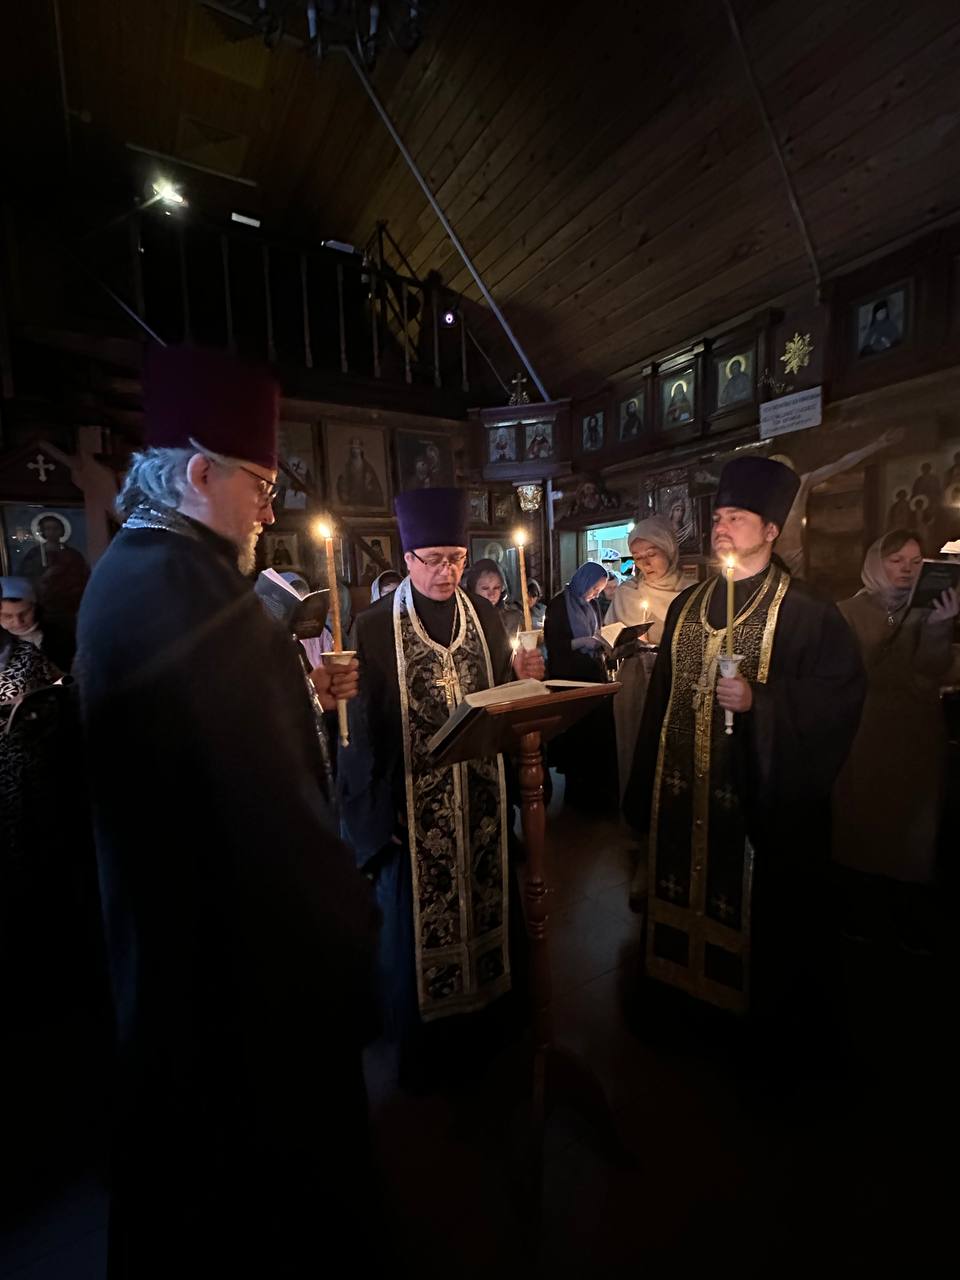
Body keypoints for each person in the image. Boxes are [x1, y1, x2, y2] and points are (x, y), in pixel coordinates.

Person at [74, 344, 377, 1277]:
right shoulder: (182, 586)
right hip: (233, 957)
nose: (267, 510)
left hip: (176, 935)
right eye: (261, 485)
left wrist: (302, 695)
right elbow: (267, 807)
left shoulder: (138, 567)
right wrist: (348, 918)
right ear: (200, 473)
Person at [624, 457, 866, 1018]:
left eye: (737, 518)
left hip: (758, 801)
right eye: (719, 517)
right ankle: (677, 991)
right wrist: (642, 788)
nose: (722, 527)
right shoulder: (686, 606)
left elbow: (839, 698)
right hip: (684, 789)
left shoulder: (807, 612)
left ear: (772, 530)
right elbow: (660, 702)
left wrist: (762, 701)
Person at [338, 487, 544, 1090]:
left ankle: (492, 1030)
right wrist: (375, 816)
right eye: (432, 560)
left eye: (456, 558)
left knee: (489, 907)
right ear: (407, 559)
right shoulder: (373, 626)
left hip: (480, 802)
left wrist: (525, 680)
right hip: (412, 816)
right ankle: (428, 1057)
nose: (446, 571)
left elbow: (502, 696)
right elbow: (358, 732)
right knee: (413, 938)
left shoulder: (484, 617)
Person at [832, 531, 959, 952]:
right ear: (876, 562)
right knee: (865, 821)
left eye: (916, 561)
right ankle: (860, 914)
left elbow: (930, 673)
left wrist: (939, 627)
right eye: (896, 560)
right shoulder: (848, 611)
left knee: (913, 826)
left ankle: (908, 917)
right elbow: (849, 672)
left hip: (916, 732)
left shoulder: (930, 610)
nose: (907, 569)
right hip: (866, 731)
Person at [608, 518, 684, 816]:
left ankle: (669, 817)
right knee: (634, 745)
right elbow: (610, 639)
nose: (644, 564)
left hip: (673, 681)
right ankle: (635, 816)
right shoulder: (627, 592)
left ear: (669, 549)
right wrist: (624, 640)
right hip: (634, 679)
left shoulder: (691, 592)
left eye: (651, 554)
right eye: (638, 557)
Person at [772, 428, 903, 576]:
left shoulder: (800, 485)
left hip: (795, 555)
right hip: (769, 558)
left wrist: (879, 443)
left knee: (795, 588)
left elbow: (840, 465)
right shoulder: (761, 498)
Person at [544, 562, 617, 809]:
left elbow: (598, 631)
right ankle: (575, 794)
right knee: (576, 736)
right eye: (594, 588)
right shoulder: (558, 605)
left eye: (600, 590)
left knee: (596, 735)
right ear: (584, 581)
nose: (595, 594)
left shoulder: (593, 604)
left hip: (593, 675)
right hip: (569, 678)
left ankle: (595, 791)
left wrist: (603, 642)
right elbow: (554, 645)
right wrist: (581, 642)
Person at [0, 575, 75, 672]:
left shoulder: (62, 635)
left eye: (24, 613)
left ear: (36, 608)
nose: (18, 622)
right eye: (7, 616)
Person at [463, 557, 525, 640]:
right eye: (485, 588)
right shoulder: (464, 619)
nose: (491, 594)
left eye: (496, 588)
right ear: (473, 589)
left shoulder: (513, 618)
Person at [337, 436, 384, 507]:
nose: (355, 451)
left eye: (357, 448)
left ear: (361, 449)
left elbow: (375, 489)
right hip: (351, 503)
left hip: (365, 501)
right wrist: (345, 496)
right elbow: (341, 485)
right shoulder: (346, 468)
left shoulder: (368, 468)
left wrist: (369, 487)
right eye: (353, 448)